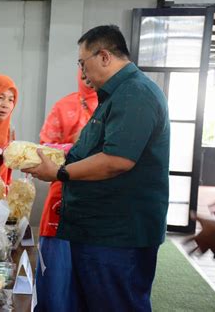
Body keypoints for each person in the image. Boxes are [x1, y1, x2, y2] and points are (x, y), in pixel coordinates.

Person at [23, 25, 170, 311]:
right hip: (97, 230)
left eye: (83, 63)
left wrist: (59, 173)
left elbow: (117, 160)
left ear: (103, 56)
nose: (82, 74)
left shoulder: (134, 94)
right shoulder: (115, 95)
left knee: (116, 303)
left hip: (117, 235)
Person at [35, 70, 97, 312]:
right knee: (57, 283)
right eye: (82, 65)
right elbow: (41, 152)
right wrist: (76, 149)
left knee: (94, 285)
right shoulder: (65, 106)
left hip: (104, 208)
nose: (86, 73)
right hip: (63, 203)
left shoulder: (119, 107)